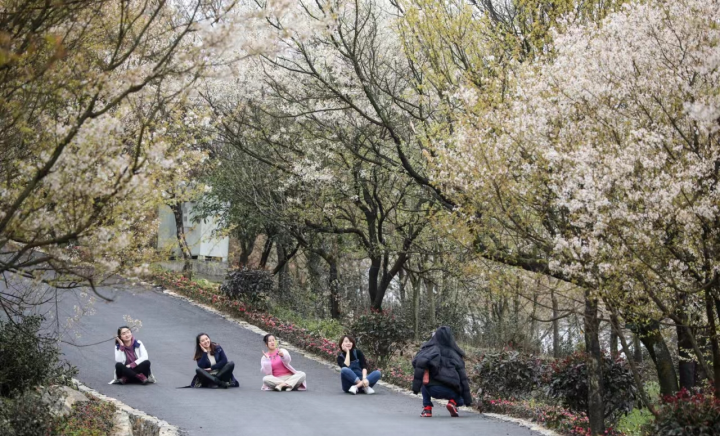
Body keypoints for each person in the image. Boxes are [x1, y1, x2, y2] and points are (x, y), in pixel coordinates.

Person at [412, 326, 472, 417]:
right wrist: (467, 400)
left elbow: (417, 362)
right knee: (461, 399)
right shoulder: (456, 354)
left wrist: (416, 387)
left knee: (426, 381)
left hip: (432, 389)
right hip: (450, 391)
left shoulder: (429, 349)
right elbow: (463, 379)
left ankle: (427, 409)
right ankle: (453, 402)